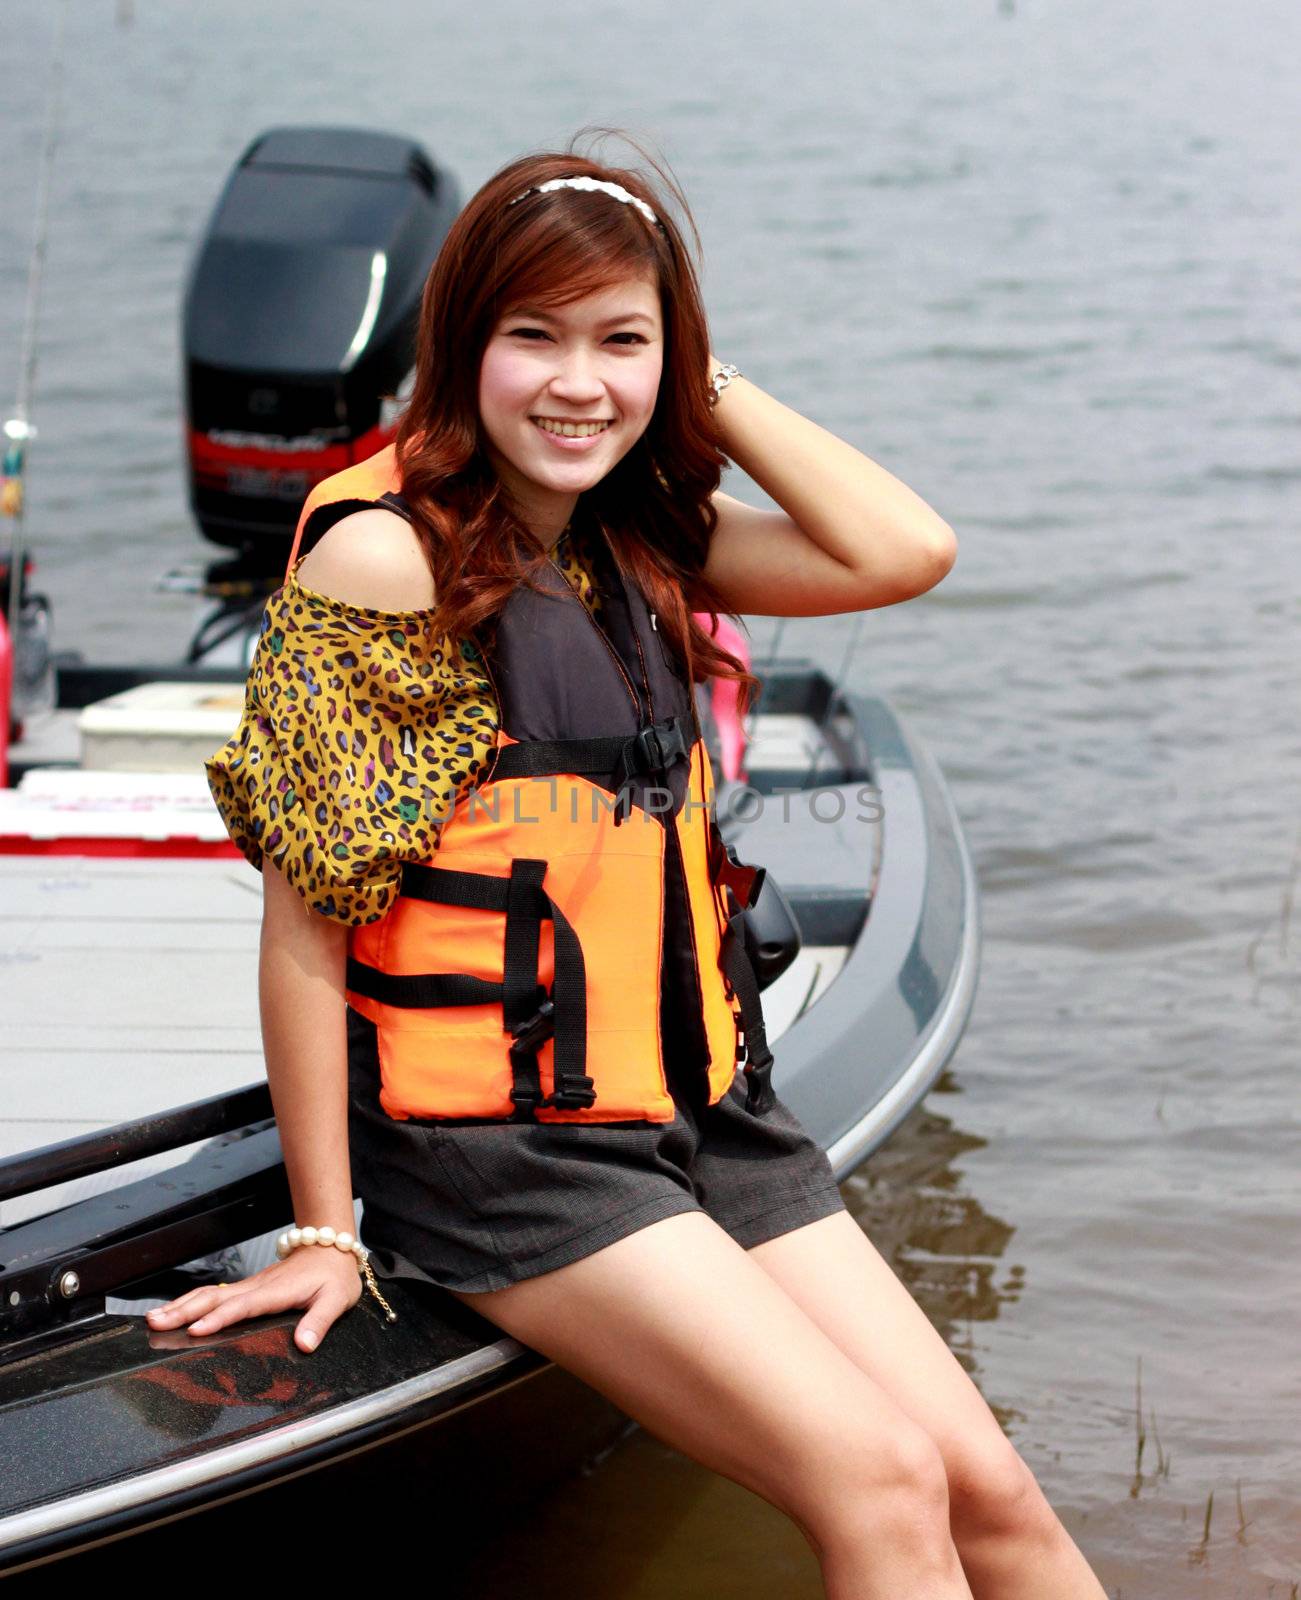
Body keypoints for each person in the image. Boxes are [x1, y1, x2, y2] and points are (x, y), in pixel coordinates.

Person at [146, 134, 1107, 1600]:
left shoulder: (634, 536)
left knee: (994, 1496)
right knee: (881, 1483)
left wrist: (694, 367)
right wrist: (324, 1229)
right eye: (532, 338)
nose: (577, 382)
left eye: (621, 342)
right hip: (507, 1157)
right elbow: (306, 922)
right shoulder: (388, 558)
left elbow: (902, 547)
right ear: (460, 345)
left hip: (701, 1111)